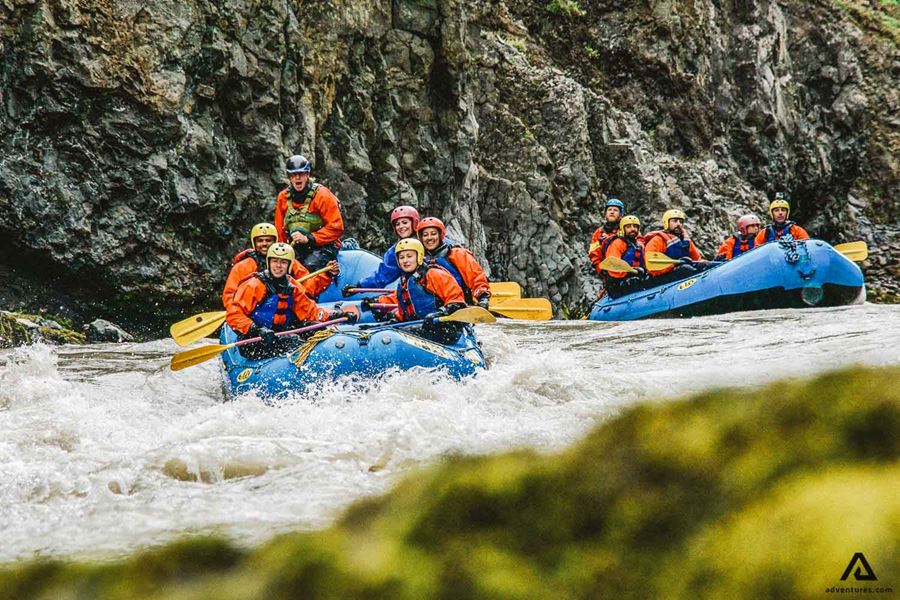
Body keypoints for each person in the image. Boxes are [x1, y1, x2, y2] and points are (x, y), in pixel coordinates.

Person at [226, 243, 357, 359]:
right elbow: (234, 314)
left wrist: (337, 315)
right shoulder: (254, 285)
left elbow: (310, 311)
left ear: (289, 265)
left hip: (281, 331)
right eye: (275, 261)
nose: (278, 266)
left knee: (317, 329)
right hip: (254, 340)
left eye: (283, 262)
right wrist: (256, 329)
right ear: (268, 263)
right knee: (292, 341)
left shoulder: (291, 285)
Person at [362, 238, 467, 343]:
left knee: (397, 336)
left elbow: (457, 303)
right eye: (401, 257)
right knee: (384, 331)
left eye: (409, 256)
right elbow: (403, 314)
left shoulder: (433, 274)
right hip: (421, 326)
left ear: (419, 256)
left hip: (444, 328)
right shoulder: (404, 282)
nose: (405, 261)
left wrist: (440, 313)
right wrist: (391, 322)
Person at [222, 222, 338, 308]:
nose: (264, 244)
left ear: (275, 241)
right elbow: (229, 296)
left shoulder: (289, 263)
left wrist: (327, 274)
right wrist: (237, 313)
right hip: (255, 313)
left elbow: (309, 288)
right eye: (260, 241)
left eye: (268, 240)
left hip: (284, 311)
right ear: (254, 242)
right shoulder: (242, 267)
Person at [273, 154, 345, 271]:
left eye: (301, 174)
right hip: (297, 247)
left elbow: (336, 228)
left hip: (323, 246)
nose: (298, 178)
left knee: (310, 266)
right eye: (294, 175)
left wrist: (309, 238)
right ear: (289, 177)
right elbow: (279, 230)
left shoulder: (322, 195)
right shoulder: (283, 197)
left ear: (307, 175)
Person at [341, 205, 419, 296]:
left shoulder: (426, 242)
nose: (401, 227)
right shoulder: (395, 251)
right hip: (414, 293)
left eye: (405, 223)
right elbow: (383, 275)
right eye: (397, 224)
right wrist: (358, 286)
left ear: (414, 223)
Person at [415, 217, 491, 309]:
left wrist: (483, 297)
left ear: (441, 235)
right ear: (421, 238)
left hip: (458, 306)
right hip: (432, 310)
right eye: (425, 235)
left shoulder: (458, 254)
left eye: (433, 234)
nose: (429, 238)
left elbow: (476, 277)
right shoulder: (418, 260)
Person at [643, 209, 712, 284]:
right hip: (661, 276)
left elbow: (697, 259)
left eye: (681, 222)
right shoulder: (657, 240)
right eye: (675, 221)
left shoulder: (685, 240)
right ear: (667, 223)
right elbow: (652, 268)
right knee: (685, 269)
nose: (679, 224)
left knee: (704, 265)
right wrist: (674, 264)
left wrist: (704, 263)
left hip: (682, 270)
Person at [600, 215, 651, 298]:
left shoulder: (640, 245)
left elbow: (646, 264)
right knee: (635, 281)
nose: (632, 229)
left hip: (636, 278)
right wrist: (631, 271)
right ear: (622, 229)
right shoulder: (617, 243)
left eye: (635, 226)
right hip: (617, 283)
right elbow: (613, 266)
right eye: (628, 227)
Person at [588, 198, 626, 274]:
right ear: (605, 213)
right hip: (607, 270)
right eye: (609, 210)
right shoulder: (599, 232)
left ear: (621, 214)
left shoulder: (628, 229)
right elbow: (594, 253)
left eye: (615, 210)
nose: (612, 212)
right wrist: (600, 269)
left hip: (626, 267)